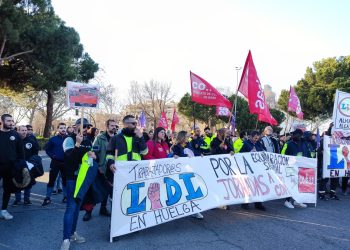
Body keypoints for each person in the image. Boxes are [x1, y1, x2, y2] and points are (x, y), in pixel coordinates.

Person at [60, 130, 95, 250]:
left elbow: (89, 159)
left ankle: (73, 233)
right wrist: (77, 144)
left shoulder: (87, 141)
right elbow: (70, 159)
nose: (85, 129)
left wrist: (93, 157)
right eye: (82, 126)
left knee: (77, 208)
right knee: (71, 207)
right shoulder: (69, 140)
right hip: (72, 179)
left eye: (87, 127)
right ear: (75, 128)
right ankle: (65, 239)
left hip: (83, 180)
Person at [82, 119, 117, 221]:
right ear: (107, 126)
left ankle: (103, 208)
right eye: (111, 125)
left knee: (108, 190)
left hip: (112, 169)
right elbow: (94, 153)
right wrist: (97, 167)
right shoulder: (100, 138)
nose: (114, 127)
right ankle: (88, 211)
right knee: (94, 190)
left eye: (115, 125)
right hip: (101, 168)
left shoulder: (117, 138)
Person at [171, 131, 203, 219]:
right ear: (182, 137)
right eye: (187, 137)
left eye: (188, 137)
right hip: (180, 172)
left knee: (191, 190)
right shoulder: (176, 147)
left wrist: (199, 154)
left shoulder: (188, 145)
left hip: (189, 171)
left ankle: (195, 210)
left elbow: (192, 153)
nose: (188, 138)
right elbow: (174, 157)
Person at [0, 114, 24, 219]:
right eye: (8, 121)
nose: (11, 122)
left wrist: (21, 166)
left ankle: (4, 210)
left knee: (7, 189)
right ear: (2, 121)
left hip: (10, 167)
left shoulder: (16, 134)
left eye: (11, 120)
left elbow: (21, 152)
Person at [281, 129, 310, 208]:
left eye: (297, 135)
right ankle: (287, 201)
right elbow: (282, 154)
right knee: (290, 184)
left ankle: (297, 200)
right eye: (294, 134)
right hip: (290, 166)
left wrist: (309, 162)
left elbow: (307, 153)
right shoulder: (288, 144)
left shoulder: (304, 143)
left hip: (300, 167)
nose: (295, 136)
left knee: (299, 184)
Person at [239, 130, 266, 211]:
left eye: (257, 138)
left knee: (257, 186)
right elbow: (240, 154)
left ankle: (258, 203)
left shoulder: (258, 143)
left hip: (257, 168)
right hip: (248, 168)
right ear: (251, 137)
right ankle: (245, 203)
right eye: (254, 138)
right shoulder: (246, 144)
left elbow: (263, 150)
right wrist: (250, 152)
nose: (256, 140)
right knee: (248, 185)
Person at [13, 125, 40, 206]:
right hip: (17, 165)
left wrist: (32, 163)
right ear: (18, 131)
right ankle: (17, 200)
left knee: (29, 183)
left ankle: (27, 200)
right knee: (17, 182)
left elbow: (36, 153)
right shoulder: (14, 141)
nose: (24, 132)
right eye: (22, 130)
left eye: (25, 130)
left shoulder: (31, 141)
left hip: (28, 165)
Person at [42, 123, 67, 206]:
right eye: (61, 128)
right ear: (58, 129)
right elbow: (47, 149)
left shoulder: (69, 139)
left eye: (64, 128)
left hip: (65, 163)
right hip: (55, 162)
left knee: (65, 181)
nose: (63, 129)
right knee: (51, 180)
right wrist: (53, 156)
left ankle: (65, 197)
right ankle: (47, 198)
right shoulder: (53, 139)